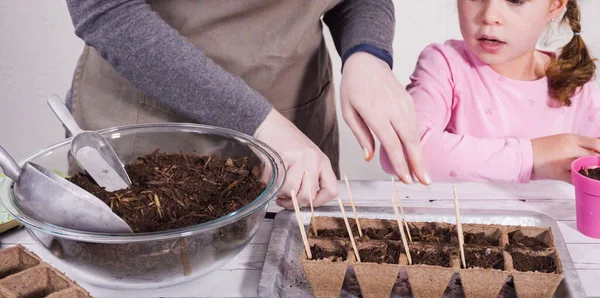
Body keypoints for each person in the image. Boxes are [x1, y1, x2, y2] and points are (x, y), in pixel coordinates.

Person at [64, 0, 430, 211]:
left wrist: (367, 53)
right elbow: (108, 12)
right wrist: (260, 123)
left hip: (295, 127)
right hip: (150, 130)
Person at [380, 0, 600, 184]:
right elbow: (400, 151)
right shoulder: (446, 64)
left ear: (554, 6)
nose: (490, 15)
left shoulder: (578, 85)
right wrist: (530, 156)